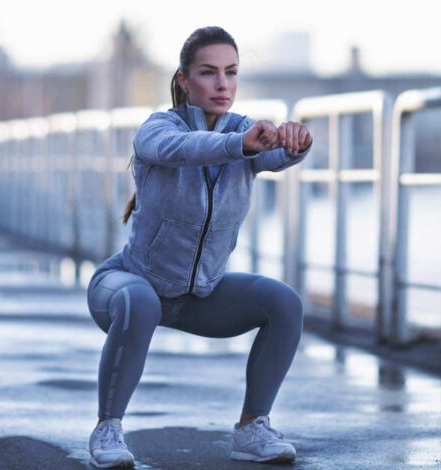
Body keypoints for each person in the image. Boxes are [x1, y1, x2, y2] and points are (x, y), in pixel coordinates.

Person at [86, 25, 313, 468]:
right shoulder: (157, 129)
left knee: (283, 302)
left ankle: (252, 428)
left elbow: (273, 156)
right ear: (184, 80)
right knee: (138, 301)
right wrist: (238, 145)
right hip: (128, 285)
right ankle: (107, 431)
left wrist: (296, 142)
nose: (222, 84)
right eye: (209, 73)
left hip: (198, 297)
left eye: (231, 72)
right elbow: (184, 149)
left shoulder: (247, 132)